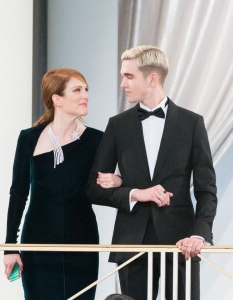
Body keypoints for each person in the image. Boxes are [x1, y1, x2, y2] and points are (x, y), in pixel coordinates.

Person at [87, 45, 217, 300]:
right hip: (131, 242)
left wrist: (199, 234)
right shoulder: (118, 125)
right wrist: (136, 193)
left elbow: (207, 189)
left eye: (129, 76)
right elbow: (93, 189)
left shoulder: (193, 123)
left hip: (181, 243)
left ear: (153, 78)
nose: (122, 83)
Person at [3, 68, 122, 300]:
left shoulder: (98, 139)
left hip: (82, 240)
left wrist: (118, 179)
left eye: (86, 89)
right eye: (77, 90)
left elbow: (108, 183)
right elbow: (18, 193)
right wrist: (10, 246)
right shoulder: (28, 138)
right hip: (38, 242)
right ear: (56, 99)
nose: (85, 95)